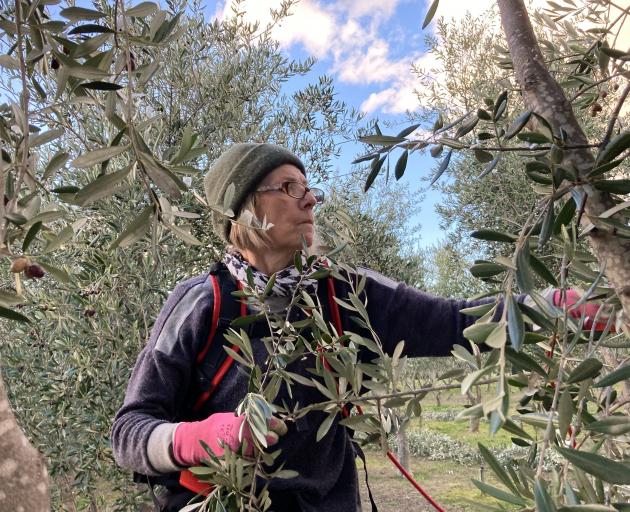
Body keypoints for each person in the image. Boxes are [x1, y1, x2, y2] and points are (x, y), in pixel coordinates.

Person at [111, 143, 605, 511]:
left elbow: (453, 321)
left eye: (309, 190)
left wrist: (547, 305)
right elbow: (128, 434)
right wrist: (194, 440)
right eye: (288, 188)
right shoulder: (202, 303)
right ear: (243, 208)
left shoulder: (346, 293)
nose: (309, 202)